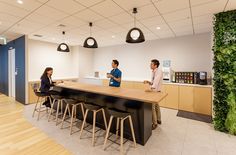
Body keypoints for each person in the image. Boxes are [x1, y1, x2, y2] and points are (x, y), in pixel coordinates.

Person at [144, 59, 163, 130]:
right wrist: (148, 82)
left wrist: (150, 89)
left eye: (151, 64)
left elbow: (156, 83)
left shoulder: (159, 71)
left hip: (156, 91)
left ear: (155, 65)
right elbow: (153, 82)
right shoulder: (153, 72)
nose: (150, 65)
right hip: (154, 91)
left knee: (152, 107)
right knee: (157, 105)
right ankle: (158, 119)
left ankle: (154, 123)